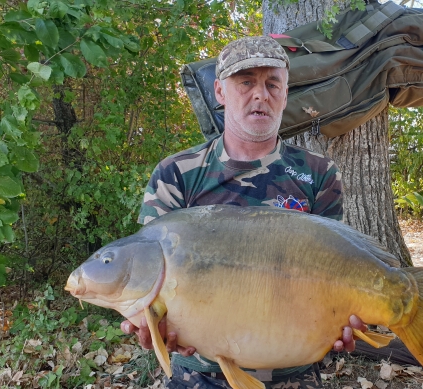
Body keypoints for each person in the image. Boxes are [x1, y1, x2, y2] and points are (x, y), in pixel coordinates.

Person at [121, 35, 366, 389]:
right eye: (246, 82)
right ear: (220, 92)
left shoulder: (318, 174)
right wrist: (150, 327)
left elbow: (336, 271)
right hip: (199, 373)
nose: (260, 95)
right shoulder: (176, 173)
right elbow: (149, 275)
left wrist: (345, 319)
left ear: (285, 93)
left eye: (272, 84)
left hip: (293, 370)